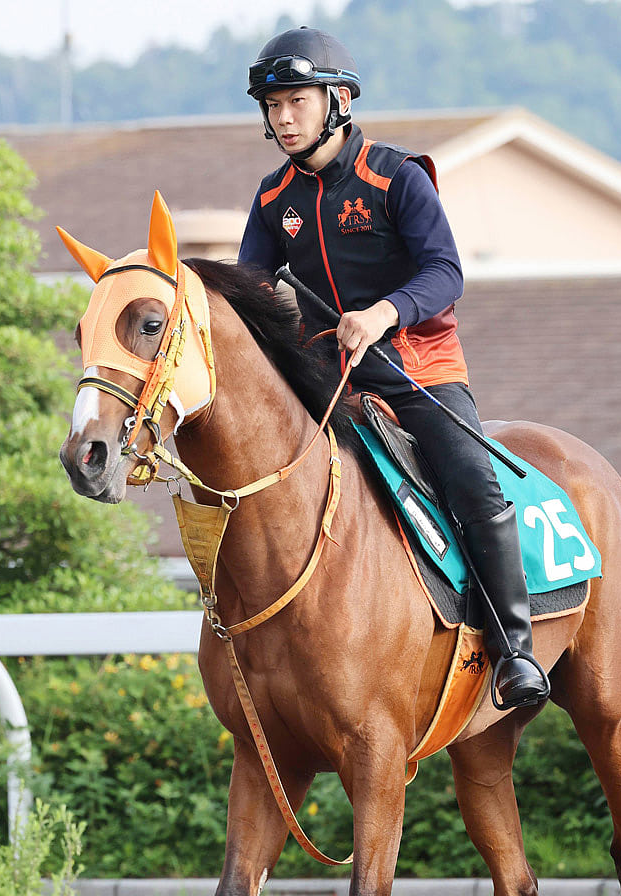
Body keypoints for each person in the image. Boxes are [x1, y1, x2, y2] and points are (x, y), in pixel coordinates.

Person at [239, 26, 548, 709]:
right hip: (324, 376)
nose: (282, 117)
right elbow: (250, 295)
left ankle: (515, 652)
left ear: (338, 100)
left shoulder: (397, 175)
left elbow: (446, 272)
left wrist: (382, 313)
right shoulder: (270, 200)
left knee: (473, 482)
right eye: (272, 106)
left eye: (295, 101)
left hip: (416, 367)